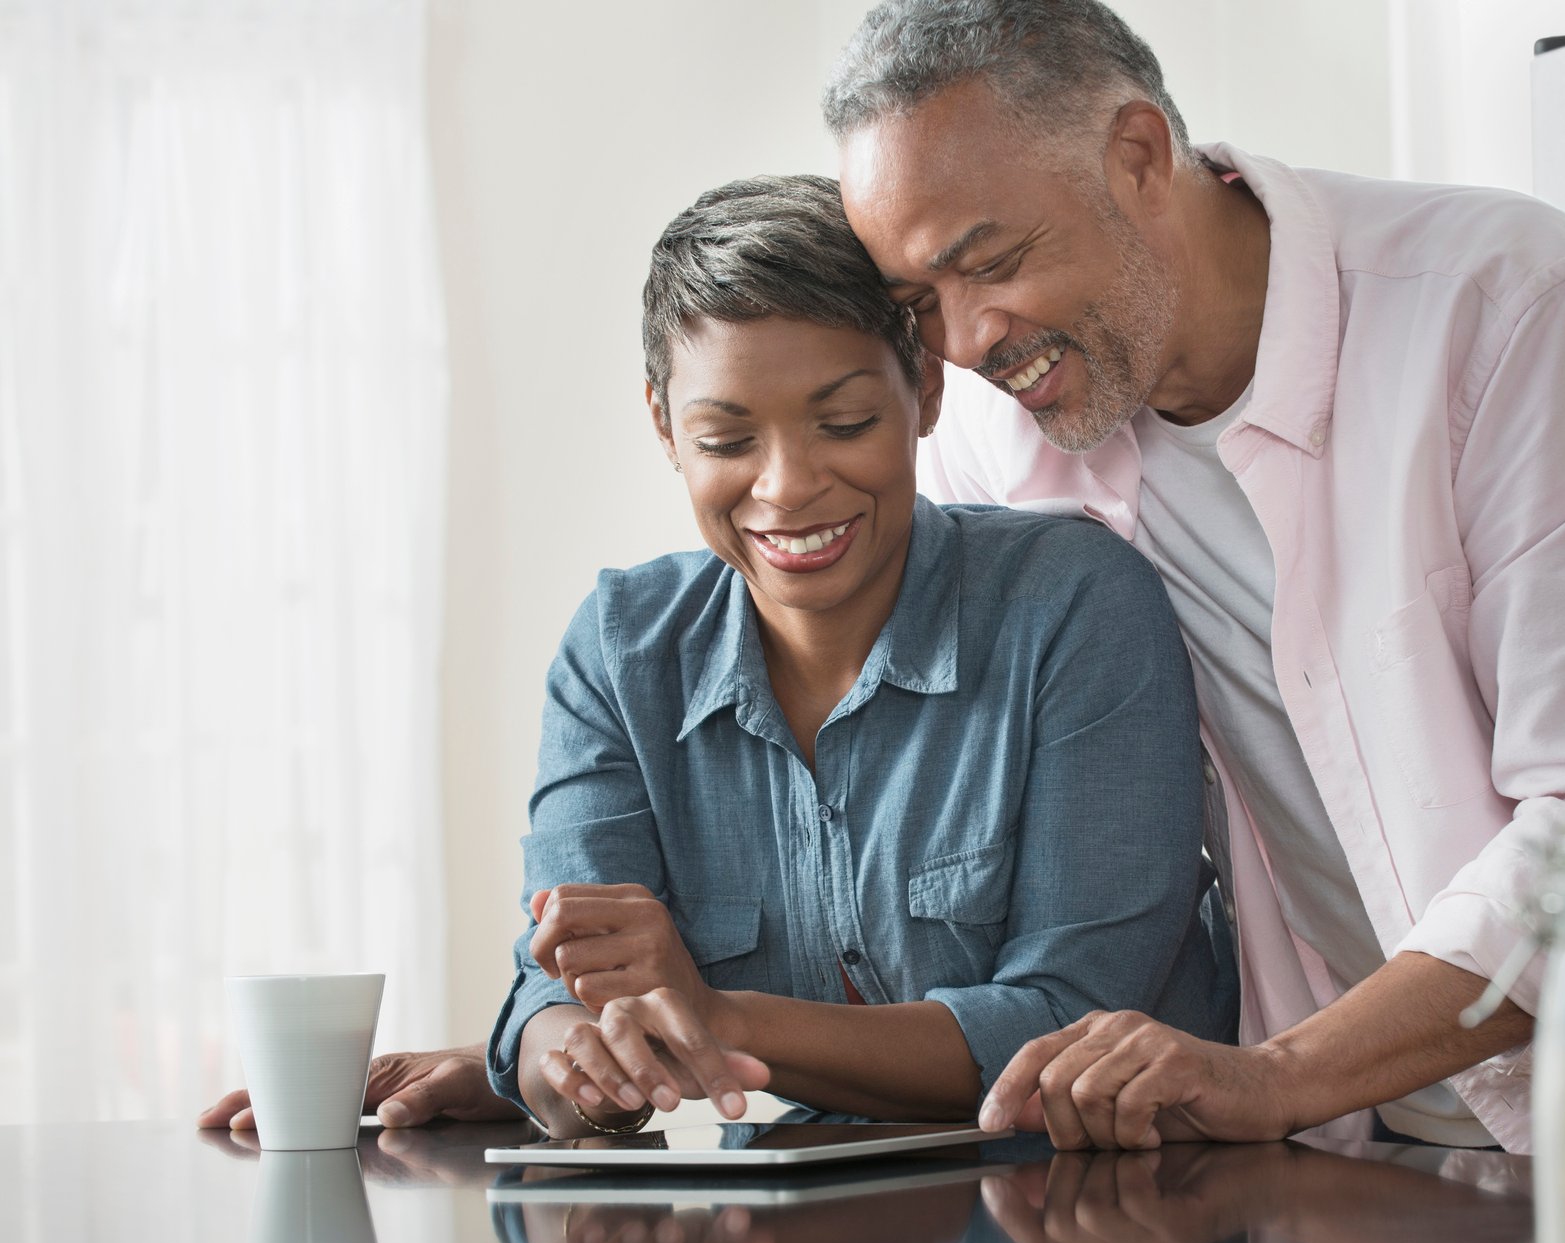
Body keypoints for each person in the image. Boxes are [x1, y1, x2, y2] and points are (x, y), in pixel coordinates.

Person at [821, 0, 1565, 1153]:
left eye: (989, 263)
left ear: (1138, 156)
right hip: (1387, 1139)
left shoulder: (1509, 309)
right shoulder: (996, 433)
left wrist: (1277, 1077)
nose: (964, 341)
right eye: (915, 304)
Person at [202, 174, 1232, 1139]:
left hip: (1102, 1238)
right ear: (665, 426)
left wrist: (709, 1018)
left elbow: (1067, 1022)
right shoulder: (619, 652)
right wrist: (572, 1065)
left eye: (844, 421)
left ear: (923, 389)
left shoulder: (1074, 608)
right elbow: (557, 994)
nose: (786, 488)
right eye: (728, 439)